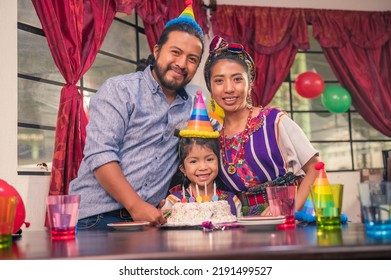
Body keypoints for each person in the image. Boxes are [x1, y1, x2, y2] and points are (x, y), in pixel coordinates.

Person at [69, 1, 204, 230]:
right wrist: (135, 205)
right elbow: (100, 153)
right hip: (95, 218)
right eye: (176, 52)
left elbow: (217, 141)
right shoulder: (120, 90)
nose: (182, 64)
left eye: (192, 59)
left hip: (148, 222)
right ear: (157, 50)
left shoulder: (193, 108)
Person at [203, 35, 320, 217]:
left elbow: (315, 167)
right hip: (244, 223)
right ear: (210, 88)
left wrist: (289, 207)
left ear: (250, 84)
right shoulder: (213, 136)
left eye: (237, 79)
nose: (228, 89)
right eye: (219, 81)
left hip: (290, 217)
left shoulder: (274, 120)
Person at [162, 91, 242, 216]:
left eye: (209, 159)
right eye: (193, 161)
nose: (203, 167)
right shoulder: (173, 202)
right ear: (182, 168)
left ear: (219, 160)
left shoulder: (232, 201)